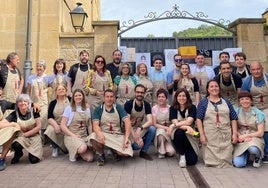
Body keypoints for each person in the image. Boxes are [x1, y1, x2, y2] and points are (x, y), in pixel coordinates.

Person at [196, 79, 238, 167]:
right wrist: (202, 135)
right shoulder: (203, 102)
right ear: (208, 89)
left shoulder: (227, 102)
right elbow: (199, 119)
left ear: (219, 88)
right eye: (211, 86)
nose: (214, 88)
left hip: (225, 135)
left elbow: (233, 118)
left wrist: (234, 134)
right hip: (210, 136)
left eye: (216, 86)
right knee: (211, 160)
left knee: (226, 159)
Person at [89, 89, 133, 166]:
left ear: (114, 98)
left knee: (126, 153)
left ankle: (115, 151)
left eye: (111, 97)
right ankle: (101, 154)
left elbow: (127, 121)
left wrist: (126, 138)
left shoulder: (118, 107)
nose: (109, 99)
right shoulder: (98, 109)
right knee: (93, 137)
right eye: (107, 97)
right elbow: (95, 125)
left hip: (117, 135)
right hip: (104, 135)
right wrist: (99, 134)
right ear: (104, 98)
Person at [3, 94, 43, 165]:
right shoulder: (14, 114)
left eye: (25, 101)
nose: (23, 103)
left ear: (28, 103)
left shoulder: (34, 111)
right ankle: (18, 154)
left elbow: (39, 126)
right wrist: (12, 124)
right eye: (20, 101)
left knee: (33, 160)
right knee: (16, 144)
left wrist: (27, 134)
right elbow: (2, 123)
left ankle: (33, 153)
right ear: (17, 104)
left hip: (34, 137)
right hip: (22, 137)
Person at [241, 62, 268, 163]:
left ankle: (266, 153)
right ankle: (255, 150)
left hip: (267, 107)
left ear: (262, 69)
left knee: (266, 127)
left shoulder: (267, 78)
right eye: (253, 70)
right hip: (253, 107)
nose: (256, 71)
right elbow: (244, 98)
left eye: (258, 69)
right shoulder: (247, 82)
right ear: (250, 71)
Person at [167, 88, 199, 167]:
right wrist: (187, 127)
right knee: (179, 133)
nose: (181, 98)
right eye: (179, 96)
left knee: (192, 161)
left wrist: (172, 125)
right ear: (176, 97)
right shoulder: (173, 108)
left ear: (187, 97)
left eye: (184, 96)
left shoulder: (192, 107)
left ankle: (185, 152)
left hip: (190, 135)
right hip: (178, 134)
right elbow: (176, 122)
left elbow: (189, 122)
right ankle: (182, 155)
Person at [60, 89, 94, 162]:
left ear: (83, 97)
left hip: (83, 136)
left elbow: (89, 125)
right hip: (71, 136)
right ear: (73, 98)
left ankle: (78, 151)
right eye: (76, 96)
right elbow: (62, 125)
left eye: (79, 95)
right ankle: (73, 151)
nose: (78, 97)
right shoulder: (69, 108)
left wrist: (90, 136)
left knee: (90, 159)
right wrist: (73, 135)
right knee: (83, 148)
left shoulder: (87, 109)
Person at [233, 91, 265, 168]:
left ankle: (258, 157)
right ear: (239, 102)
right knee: (238, 164)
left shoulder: (259, 113)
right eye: (242, 99)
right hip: (240, 137)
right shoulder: (235, 112)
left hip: (254, 137)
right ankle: (246, 155)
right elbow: (233, 127)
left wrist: (246, 136)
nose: (245, 101)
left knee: (253, 149)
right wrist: (240, 136)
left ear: (251, 101)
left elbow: (260, 133)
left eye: (247, 99)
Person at [124, 84, 156, 161]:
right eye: (138, 92)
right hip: (128, 129)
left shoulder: (147, 105)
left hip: (138, 128)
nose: (139, 94)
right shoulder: (129, 104)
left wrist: (140, 128)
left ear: (144, 93)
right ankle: (129, 149)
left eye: (142, 93)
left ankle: (143, 152)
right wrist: (135, 137)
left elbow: (150, 121)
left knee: (152, 129)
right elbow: (127, 122)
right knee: (136, 146)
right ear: (135, 92)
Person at [27, 60, 50, 144]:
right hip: (34, 102)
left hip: (43, 102)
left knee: (43, 119)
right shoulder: (31, 77)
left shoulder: (47, 77)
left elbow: (52, 88)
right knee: (35, 120)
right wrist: (28, 101)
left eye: (40, 66)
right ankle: (36, 138)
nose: (38, 68)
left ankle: (43, 138)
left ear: (44, 68)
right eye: (37, 66)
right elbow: (28, 90)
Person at [44, 84, 70, 157]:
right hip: (57, 124)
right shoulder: (53, 103)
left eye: (63, 89)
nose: (61, 90)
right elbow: (49, 117)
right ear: (56, 92)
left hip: (69, 125)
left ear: (66, 91)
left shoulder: (71, 100)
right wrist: (55, 125)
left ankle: (66, 147)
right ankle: (55, 147)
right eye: (59, 89)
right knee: (49, 129)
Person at [152, 88, 175, 159]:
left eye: (163, 97)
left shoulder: (171, 108)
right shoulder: (154, 108)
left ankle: (166, 146)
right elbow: (155, 124)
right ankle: (161, 151)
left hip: (169, 130)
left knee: (171, 153)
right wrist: (165, 128)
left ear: (166, 98)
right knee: (161, 133)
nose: (161, 98)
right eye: (159, 97)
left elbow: (174, 121)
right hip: (160, 129)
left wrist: (170, 128)